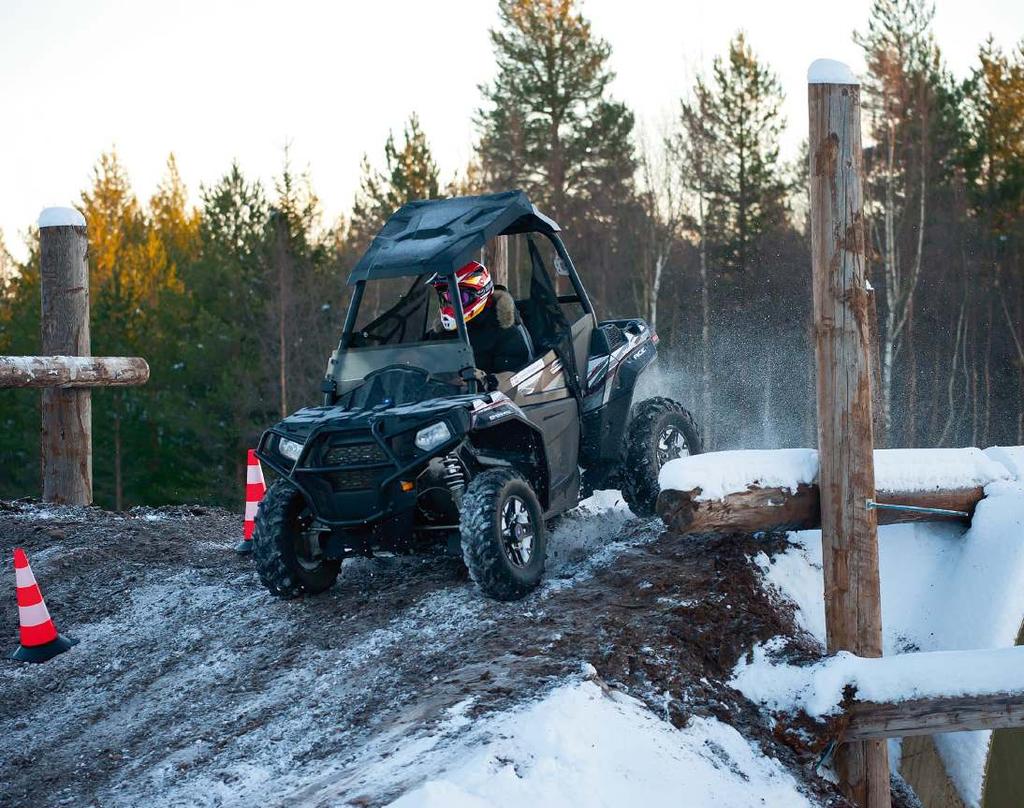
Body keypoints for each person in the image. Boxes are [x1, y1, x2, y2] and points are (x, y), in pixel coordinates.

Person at [430, 261, 532, 374]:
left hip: (483, 390)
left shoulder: (505, 334)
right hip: (441, 390)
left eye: (461, 298)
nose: (452, 304)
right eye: (447, 298)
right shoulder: (439, 334)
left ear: (480, 294)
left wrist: (484, 381)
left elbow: (511, 379)